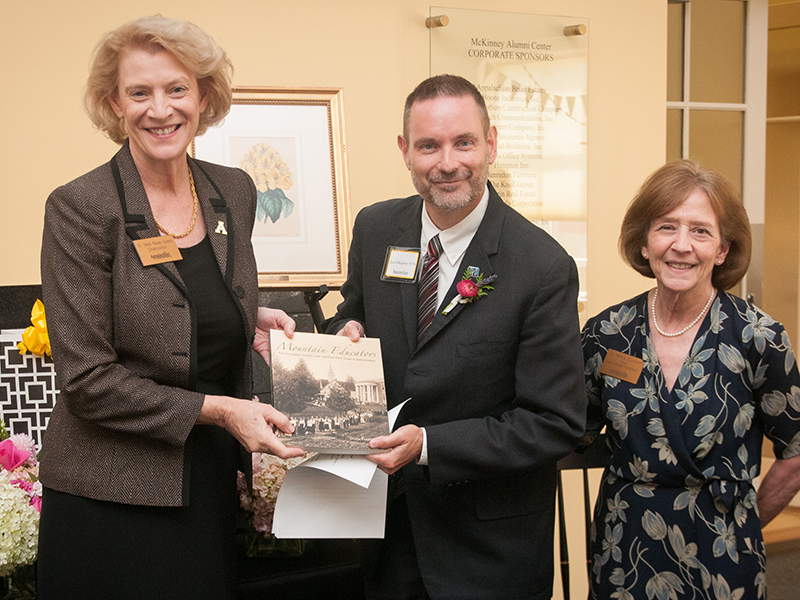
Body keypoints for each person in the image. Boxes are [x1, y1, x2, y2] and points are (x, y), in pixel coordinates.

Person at [36, 16, 304, 600]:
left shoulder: (232, 190)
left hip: (203, 481)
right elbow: (87, 379)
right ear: (115, 103)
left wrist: (244, 317)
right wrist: (222, 410)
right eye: (140, 92)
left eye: (177, 88)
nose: (161, 109)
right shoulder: (81, 207)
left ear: (203, 95)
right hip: (108, 493)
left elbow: (195, 291)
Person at [326, 74, 586, 600]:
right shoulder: (376, 229)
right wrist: (341, 334)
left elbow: (553, 423)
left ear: (491, 143)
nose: (447, 163)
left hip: (489, 554)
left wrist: (430, 446)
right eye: (428, 145)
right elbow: (348, 318)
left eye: (463, 142)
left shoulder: (541, 266)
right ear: (405, 151)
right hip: (388, 538)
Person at [581, 159, 800, 599]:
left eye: (700, 231)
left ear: (722, 250)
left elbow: (796, 450)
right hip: (625, 550)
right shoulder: (607, 334)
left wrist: (746, 521)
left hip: (722, 553)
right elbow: (570, 429)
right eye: (666, 227)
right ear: (644, 243)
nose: (681, 245)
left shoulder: (758, 337)